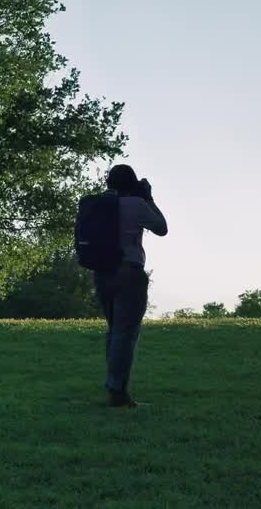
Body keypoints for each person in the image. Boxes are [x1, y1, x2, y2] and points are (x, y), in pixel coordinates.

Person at [96, 164, 167, 407]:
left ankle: (113, 386)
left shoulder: (97, 204)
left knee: (114, 331)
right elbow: (161, 227)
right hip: (129, 272)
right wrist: (148, 197)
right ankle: (117, 392)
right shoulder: (136, 205)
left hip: (102, 274)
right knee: (125, 334)